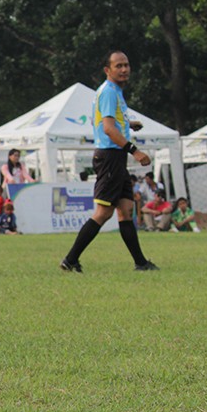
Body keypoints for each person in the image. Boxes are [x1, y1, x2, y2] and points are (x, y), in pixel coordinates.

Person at [60, 51, 157, 272]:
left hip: (115, 157)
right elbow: (107, 128)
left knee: (125, 210)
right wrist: (135, 151)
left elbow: (107, 121)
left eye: (126, 65)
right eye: (118, 66)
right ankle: (70, 259)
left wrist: (129, 124)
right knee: (103, 213)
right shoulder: (108, 92)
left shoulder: (113, 92)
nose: (124, 69)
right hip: (110, 157)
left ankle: (141, 263)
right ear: (107, 70)